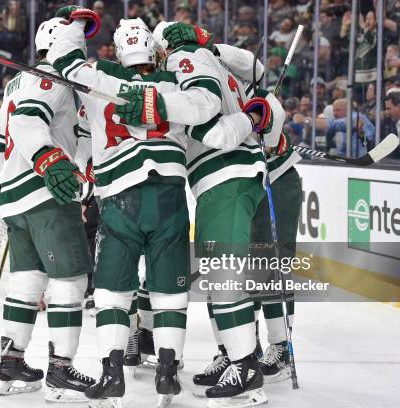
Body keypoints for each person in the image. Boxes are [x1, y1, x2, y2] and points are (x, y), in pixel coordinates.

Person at [115, 21, 283, 407]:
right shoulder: (217, 61)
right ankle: (233, 355)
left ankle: (245, 368)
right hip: (232, 178)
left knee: (223, 276)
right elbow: (254, 74)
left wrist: (244, 121)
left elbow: (212, 127)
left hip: (225, 176)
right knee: (219, 274)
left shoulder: (184, 58)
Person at [47, 14, 191, 408]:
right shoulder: (173, 82)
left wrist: (76, 25)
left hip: (119, 195)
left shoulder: (98, 77)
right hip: (169, 192)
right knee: (168, 292)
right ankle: (167, 372)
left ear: (118, 48)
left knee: (112, 292)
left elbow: (63, 59)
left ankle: (113, 376)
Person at [0, 17, 95, 402]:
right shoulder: (52, 79)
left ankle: (11, 359)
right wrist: (50, 159)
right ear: (62, 42)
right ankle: (61, 370)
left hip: (15, 198)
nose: (84, 47)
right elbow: (30, 118)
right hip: (46, 192)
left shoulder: (16, 81)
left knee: (28, 280)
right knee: (70, 280)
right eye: (79, 39)